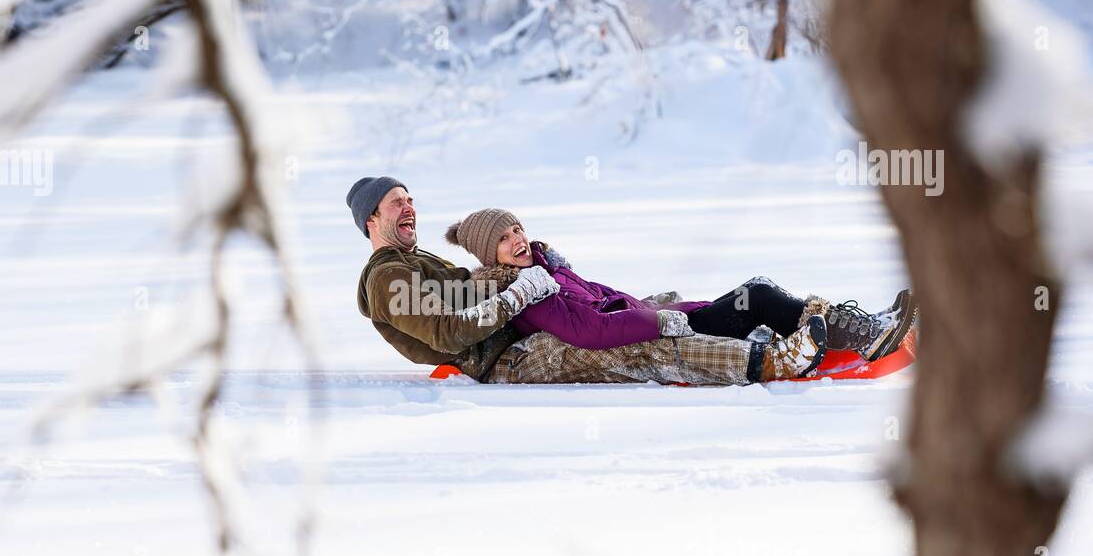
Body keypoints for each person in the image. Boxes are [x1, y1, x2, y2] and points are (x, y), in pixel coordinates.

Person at [349, 177, 867, 387]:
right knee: (637, 344)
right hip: (506, 359)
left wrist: (553, 272)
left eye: (410, 197)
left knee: (654, 307)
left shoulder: (427, 263)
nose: (409, 206)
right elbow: (446, 333)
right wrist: (518, 295)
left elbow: (488, 285)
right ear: (372, 221)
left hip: (528, 330)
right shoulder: (389, 277)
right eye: (397, 202)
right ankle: (768, 360)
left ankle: (832, 323)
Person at [444, 207, 917, 385]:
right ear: (493, 255)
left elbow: (612, 299)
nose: (517, 238)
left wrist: (669, 308)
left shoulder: (549, 268)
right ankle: (865, 335)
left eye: (516, 227)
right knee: (757, 294)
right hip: (654, 334)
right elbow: (589, 331)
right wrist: (663, 322)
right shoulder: (528, 291)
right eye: (504, 239)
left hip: (659, 318)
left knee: (756, 295)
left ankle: (853, 326)